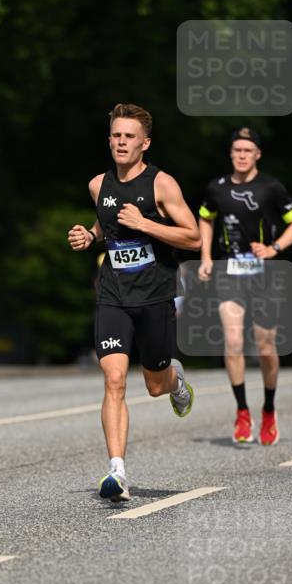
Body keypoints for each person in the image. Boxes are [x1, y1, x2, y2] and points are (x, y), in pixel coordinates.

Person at [68, 103, 201, 502]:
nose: (122, 142)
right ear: (109, 140)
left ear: (145, 143)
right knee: (113, 380)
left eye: (130, 136)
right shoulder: (97, 185)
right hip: (112, 295)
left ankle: (176, 380)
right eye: (116, 136)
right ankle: (117, 473)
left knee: (155, 385)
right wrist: (89, 237)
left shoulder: (162, 185)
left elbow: (193, 236)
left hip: (155, 295)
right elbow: (104, 224)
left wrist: (146, 224)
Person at [198, 127, 292, 445]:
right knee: (232, 341)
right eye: (237, 150)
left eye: (248, 150)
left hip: (264, 275)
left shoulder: (271, 187)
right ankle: (242, 411)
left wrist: (275, 249)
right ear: (230, 154)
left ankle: (269, 410)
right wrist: (205, 255)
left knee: (266, 350)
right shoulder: (216, 188)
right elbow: (205, 217)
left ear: (257, 154)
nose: (242, 155)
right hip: (229, 272)